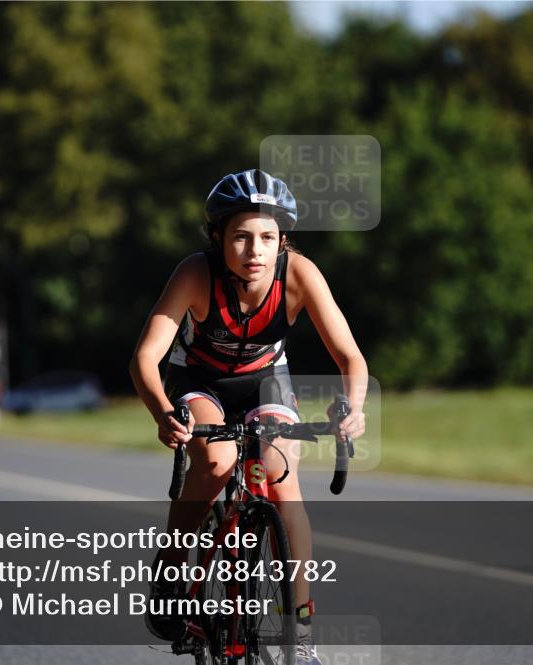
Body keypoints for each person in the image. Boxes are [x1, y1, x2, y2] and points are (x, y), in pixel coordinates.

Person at [130, 169, 367, 665]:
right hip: (199, 381)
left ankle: (299, 630)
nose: (255, 250)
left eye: (267, 237)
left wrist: (355, 408)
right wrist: (162, 413)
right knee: (216, 464)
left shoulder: (299, 274)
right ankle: (172, 573)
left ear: (283, 241)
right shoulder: (196, 274)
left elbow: (350, 357)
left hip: (266, 381)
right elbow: (145, 359)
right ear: (218, 238)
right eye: (240, 236)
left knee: (280, 478)